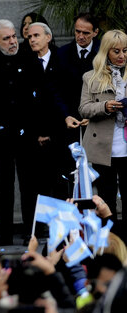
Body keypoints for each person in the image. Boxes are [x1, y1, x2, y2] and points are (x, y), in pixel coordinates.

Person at [0, 20, 39, 246]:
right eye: (6, 38)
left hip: (27, 134)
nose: (13, 41)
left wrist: (37, 130)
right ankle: (4, 232)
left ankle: (30, 231)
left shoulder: (29, 59)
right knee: (3, 187)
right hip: (0, 136)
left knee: (29, 186)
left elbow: (39, 98)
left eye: (14, 36)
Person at [79, 29, 127, 242]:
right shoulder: (91, 77)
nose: (121, 55)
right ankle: (111, 242)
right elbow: (84, 109)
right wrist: (105, 106)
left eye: (125, 50)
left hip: (125, 145)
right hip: (103, 148)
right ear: (106, 52)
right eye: (116, 51)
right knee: (106, 197)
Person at [28, 22, 73, 201]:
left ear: (48, 37)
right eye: (29, 37)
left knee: (62, 187)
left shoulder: (63, 60)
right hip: (35, 139)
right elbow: (26, 105)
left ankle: (63, 228)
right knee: (39, 190)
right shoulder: (25, 63)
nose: (32, 40)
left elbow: (67, 97)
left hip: (60, 136)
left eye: (36, 35)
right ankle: (38, 229)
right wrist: (37, 133)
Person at [58, 12, 100, 139]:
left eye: (86, 33)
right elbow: (56, 88)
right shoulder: (62, 54)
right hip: (68, 121)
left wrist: (93, 114)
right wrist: (66, 115)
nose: (80, 36)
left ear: (95, 32)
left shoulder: (104, 54)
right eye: (77, 31)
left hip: (97, 121)